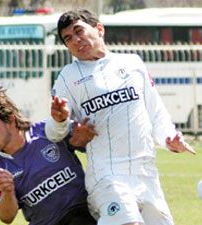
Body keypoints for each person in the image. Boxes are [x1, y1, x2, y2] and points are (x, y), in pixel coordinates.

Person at [44, 8, 196, 225]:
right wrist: (59, 120)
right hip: (107, 175)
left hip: (146, 173)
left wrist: (169, 138)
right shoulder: (68, 78)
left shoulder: (133, 63)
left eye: (79, 31)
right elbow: (53, 132)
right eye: (68, 38)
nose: (76, 40)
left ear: (99, 29)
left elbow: (155, 111)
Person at [0, 87, 97, 225]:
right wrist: (7, 191)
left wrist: (85, 138)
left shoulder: (49, 131)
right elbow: (6, 217)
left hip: (82, 214)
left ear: (10, 120)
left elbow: (93, 141)